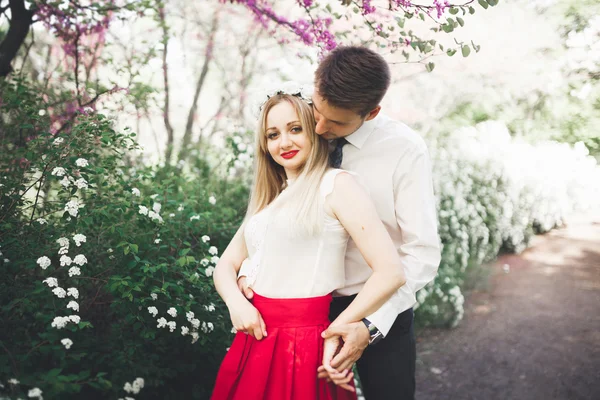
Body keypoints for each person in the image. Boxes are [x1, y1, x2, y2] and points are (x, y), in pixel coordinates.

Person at [239, 46, 441, 399]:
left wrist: (369, 324)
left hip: (379, 306)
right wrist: (249, 270)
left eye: (336, 123)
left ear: (372, 112)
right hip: (307, 311)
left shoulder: (405, 150)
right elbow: (279, 214)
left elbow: (421, 254)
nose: (319, 128)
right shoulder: (303, 127)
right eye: (317, 112)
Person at [211, 92, 408, 399]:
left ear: (314, 129)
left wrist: (337, 327)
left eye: (295, 129)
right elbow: (225, 264)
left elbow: (391, 272)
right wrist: (237, 305)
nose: (284, 143)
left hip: (304, 343)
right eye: (272, 135)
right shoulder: (271, 198)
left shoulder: (337, 185)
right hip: (254, 336)